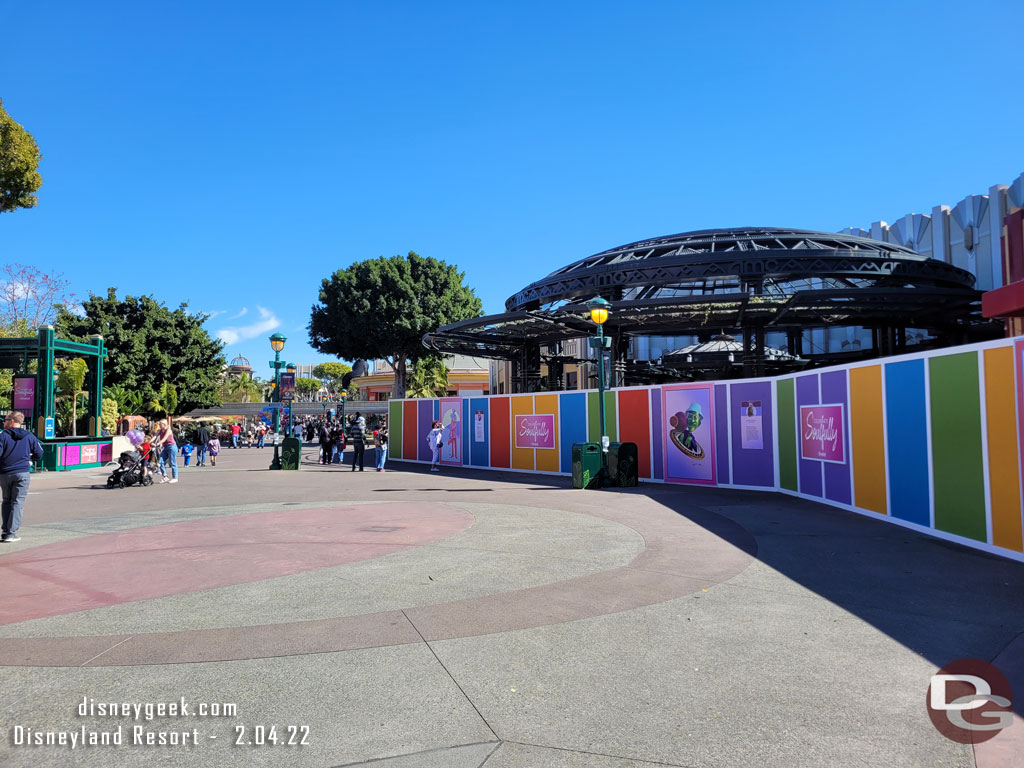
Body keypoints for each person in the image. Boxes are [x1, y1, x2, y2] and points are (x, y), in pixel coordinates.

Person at [0, 411, 44, 543]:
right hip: (22, 472)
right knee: (17, 501)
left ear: (12, 422)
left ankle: (6, 530)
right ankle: (11, 532)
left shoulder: (3, 436)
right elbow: (39, 453)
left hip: (5, 472)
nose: (4, 422)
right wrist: (29, 459)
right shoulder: (29, 436)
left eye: (6, 420)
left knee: (7, 500)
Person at [154, 419, 179, 483]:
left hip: (172, 447)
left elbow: (164, 439)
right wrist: (149, 442)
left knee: (172, 462)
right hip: (165, 447)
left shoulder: (168, 430)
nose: (159, 425)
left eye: (160, 424)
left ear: (164, 424)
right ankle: (165, 476)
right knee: (160, 461)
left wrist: (157, 443)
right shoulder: (160, 430)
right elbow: (155, 436)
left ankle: (175, 477)